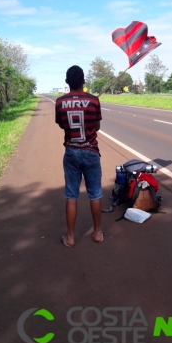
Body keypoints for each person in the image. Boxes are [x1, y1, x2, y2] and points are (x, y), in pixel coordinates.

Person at [55, 65, 103, 247]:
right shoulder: (94, 101)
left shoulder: (59, 102)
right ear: (83, 82)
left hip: (71, 152)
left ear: (67, 82)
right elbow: (96, 127)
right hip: (91, 152)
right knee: (95, 194)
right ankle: (97, 233)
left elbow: (62, 125)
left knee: (71, 195)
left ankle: (70, 237)